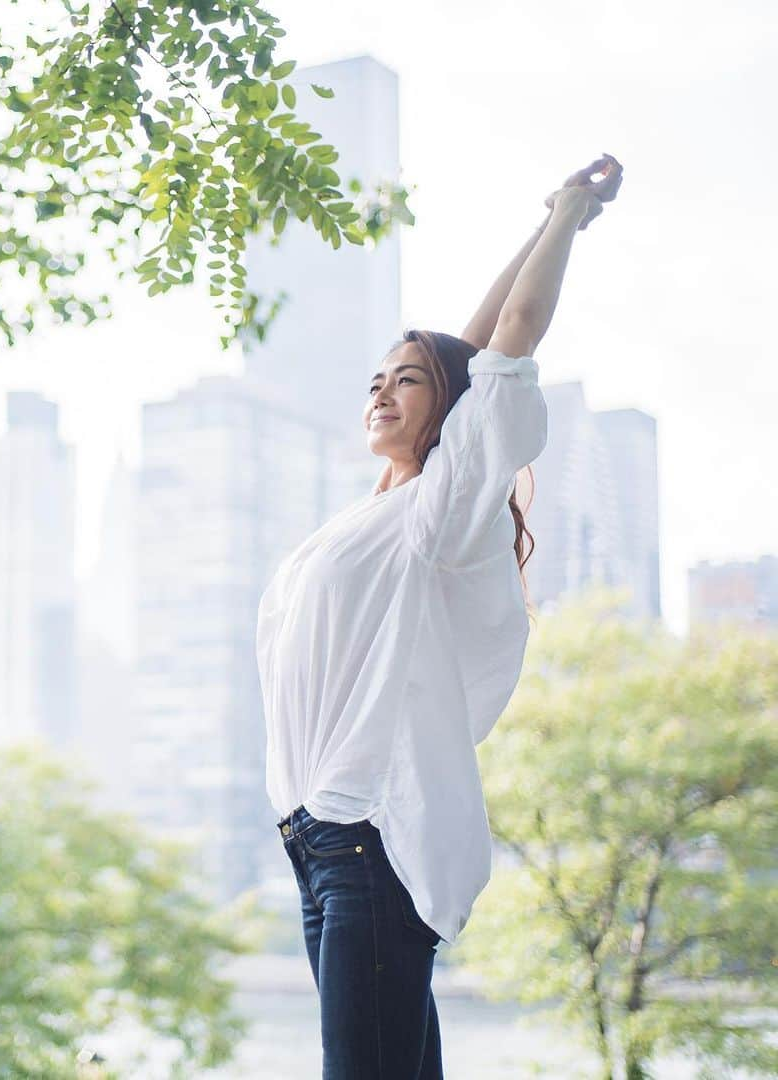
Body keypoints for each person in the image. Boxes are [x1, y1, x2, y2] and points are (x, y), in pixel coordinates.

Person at [255, 154, 624, 1079]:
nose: (381, 390)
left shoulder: (440, 512)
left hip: (367, 838)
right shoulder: (385, 505)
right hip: (316, 842)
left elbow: (501, 348)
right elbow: (457, 351)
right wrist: (536, 221)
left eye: (405, 383)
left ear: (450, 413)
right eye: (376, 377)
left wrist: (569, 219)